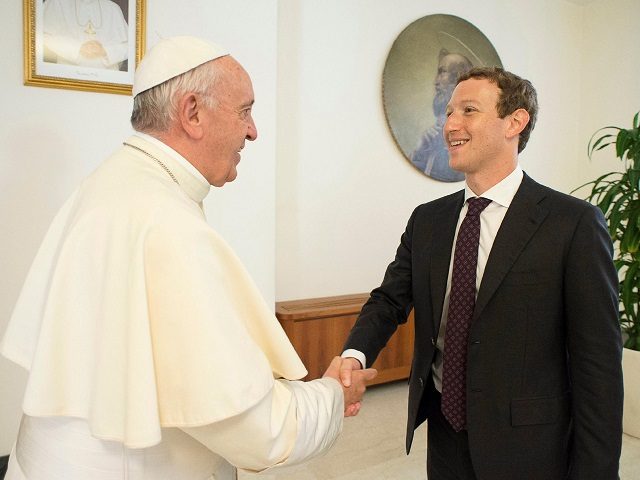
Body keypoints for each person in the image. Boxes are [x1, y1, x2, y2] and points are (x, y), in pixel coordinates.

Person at [1, 36, 376, 480]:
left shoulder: (110, 182)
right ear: (193, 112)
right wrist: (332, 391)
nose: (253, 131)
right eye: (245, 111)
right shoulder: (164, 223)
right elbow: (261, 430)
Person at [340, 67, 623, 479]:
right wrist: (354, 354)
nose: (450, 124)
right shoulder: (428, 221)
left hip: (530, 447)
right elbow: (390, 299)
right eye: (449, 111)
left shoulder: (573, 224)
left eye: (468, 110)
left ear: (515, 122)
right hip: (444, 433)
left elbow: (597, 364)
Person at [410, 49, 471, 182]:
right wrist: (421, 151)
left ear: (458, 79)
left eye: (442, 72)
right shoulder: (432, 134)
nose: (435, 82)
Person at [43, 0, 128, 70]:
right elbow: (44, 36)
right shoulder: (57, 3)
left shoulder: (113, 8)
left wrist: (105, 50)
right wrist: (77, 48)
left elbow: (127, 46)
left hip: (108, 80)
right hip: (68, 75)